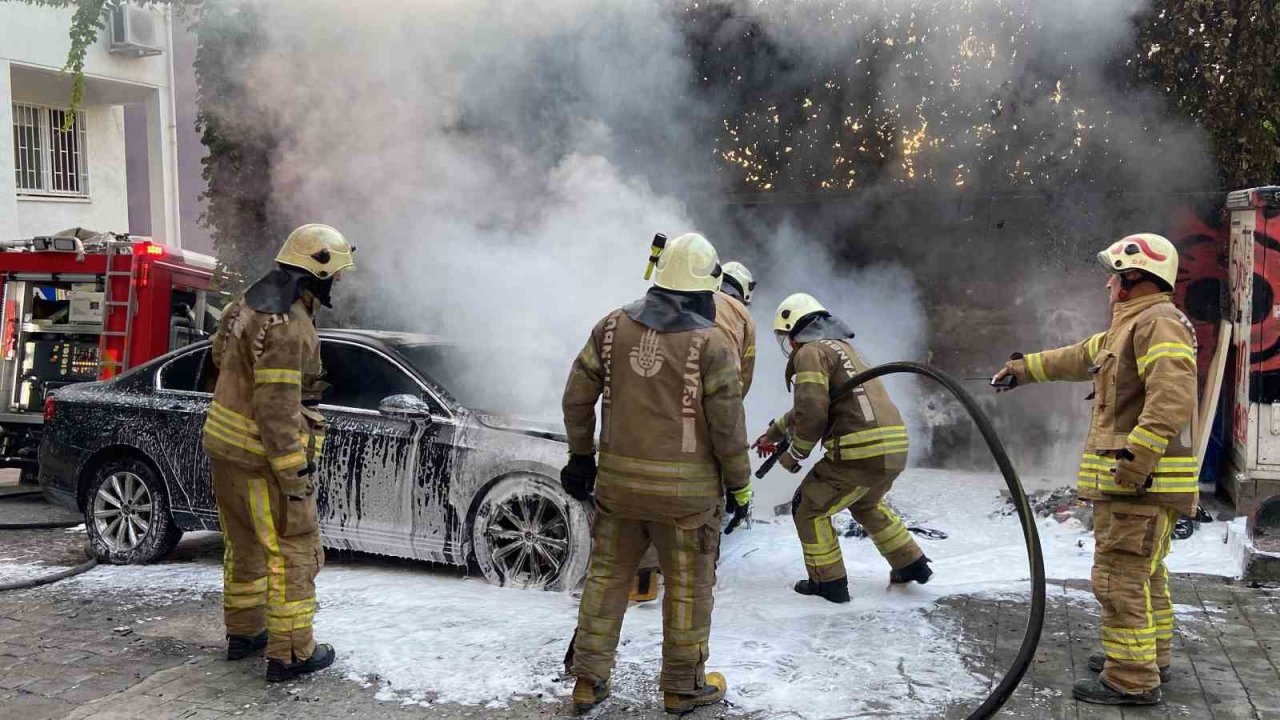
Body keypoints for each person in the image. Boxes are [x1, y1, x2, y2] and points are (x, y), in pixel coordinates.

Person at [993, 233, 1196, 706]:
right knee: (1146, 574)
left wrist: (1137, 460)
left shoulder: (1157, 323)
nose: (1107, 284)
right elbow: (1080, 355)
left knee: (1118, 577)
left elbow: (1173, 394)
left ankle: (1130, 678)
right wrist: (1023, 369)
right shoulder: (1134, 326)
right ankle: (1150, 658)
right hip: (1141, 485)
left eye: (1115, 275)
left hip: (1138, 485)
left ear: (1132, 279)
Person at [561, 232, 751, 715]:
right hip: (687, 500)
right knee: (688, 588)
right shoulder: (713, 343)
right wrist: (740, 485)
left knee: (605, 579)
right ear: (703, 287)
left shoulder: (610, 327)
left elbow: (576, 397)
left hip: (618, 491)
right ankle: (682, 688)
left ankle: (588, 680)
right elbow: (727, 426)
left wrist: (581, 457)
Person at [202, 223, 354, 682]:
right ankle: (290, 653)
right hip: (263, 459)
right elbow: (277, 406)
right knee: (293, 550)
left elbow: (215, 359)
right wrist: (294, 475)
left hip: (226, 448)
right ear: (317, 270)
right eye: (336, 274)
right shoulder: (290, 326)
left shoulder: (242, 305)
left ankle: (245, 633)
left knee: (245, 546)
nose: (338, 283)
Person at [754, 293, 928, 604]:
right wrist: (774, 432)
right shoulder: (843, 349)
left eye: (787, 336)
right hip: (892, 445)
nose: (789, 345)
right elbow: (813, 406)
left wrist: (794, 455)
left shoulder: (810, 352)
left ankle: (827, 584)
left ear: (796, 330)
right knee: (866, 504)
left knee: (808, 507)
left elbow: (812, 411)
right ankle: (910, 563)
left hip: (859, 451)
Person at [629, 259, 758, 604]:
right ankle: (699, 576)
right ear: (743, 292)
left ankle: (642, 581)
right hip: (706, 410)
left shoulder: (684, 299)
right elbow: (739, 383)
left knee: (647, 490)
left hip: (659, 408)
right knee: (702, 494)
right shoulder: (743, 317)